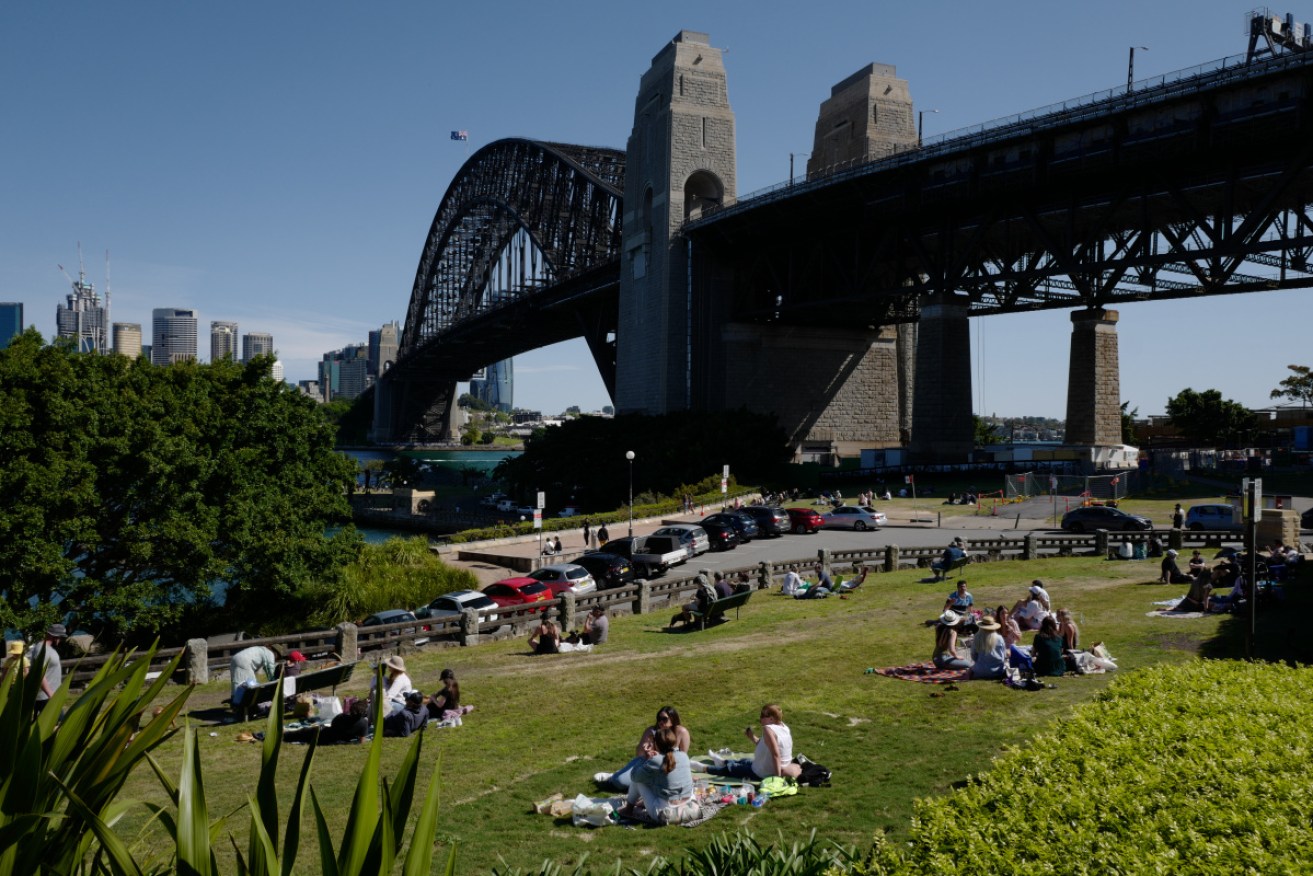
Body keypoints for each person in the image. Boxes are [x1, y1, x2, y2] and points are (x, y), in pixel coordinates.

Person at [616, 727, 700, 825]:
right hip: (690, 807)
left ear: (656, 743)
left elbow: (634, 776)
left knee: (639, 781)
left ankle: (628, 809)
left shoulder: (656, 760)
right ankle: (643, 803)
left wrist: (644, 758)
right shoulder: (683, 755)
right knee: (661, 780)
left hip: (665, 813)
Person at [597, 705, 691, 791]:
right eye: (659, 718)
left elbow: (683, 758)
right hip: (649, 764)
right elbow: (639, 755)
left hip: (669, 767)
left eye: (664, 719)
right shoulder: (652, 731)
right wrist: (647, 749)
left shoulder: (681, 732)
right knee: (620, 782)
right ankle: (613, 776)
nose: (661, 722)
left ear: (672, 719)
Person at [707, 704, 802, 780]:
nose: (760, 718)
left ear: (771, 719)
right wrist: (752, 737)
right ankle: (722, 761)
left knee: (730, 769)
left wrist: (777, 779)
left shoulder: (768, 729)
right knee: (745, 761)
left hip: (762, 772)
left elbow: (776, 755)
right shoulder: (784, 728)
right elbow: (767, 746)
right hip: (765, 765)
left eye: (763, 716)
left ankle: (702, 768)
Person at [284, 699, 370, 745]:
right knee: (302, 736)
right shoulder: (363, 724)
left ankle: (283, 735)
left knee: (302, 733)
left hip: (325, 734)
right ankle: (285, 735)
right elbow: (362, 741)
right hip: (330, 740)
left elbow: (333, 725)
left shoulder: (341, 717)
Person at [229, 643, 282, 709]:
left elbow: (266, 669)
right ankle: (248, 705)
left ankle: (234, 701)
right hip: (244, 661)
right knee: (251, 685)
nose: (276, 659)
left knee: (237, 682)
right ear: (276, 653)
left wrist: (271, 679)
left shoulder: (262, 649)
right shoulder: (270, 654)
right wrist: (274, 683)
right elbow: (271, 669)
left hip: (235, 659)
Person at [968, 615, 1008, 680]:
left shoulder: (977, 637)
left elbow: (973, 656)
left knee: (970, 669)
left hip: (980, 672)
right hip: (997, 672)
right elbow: (1003, 656)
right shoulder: (999, 638)